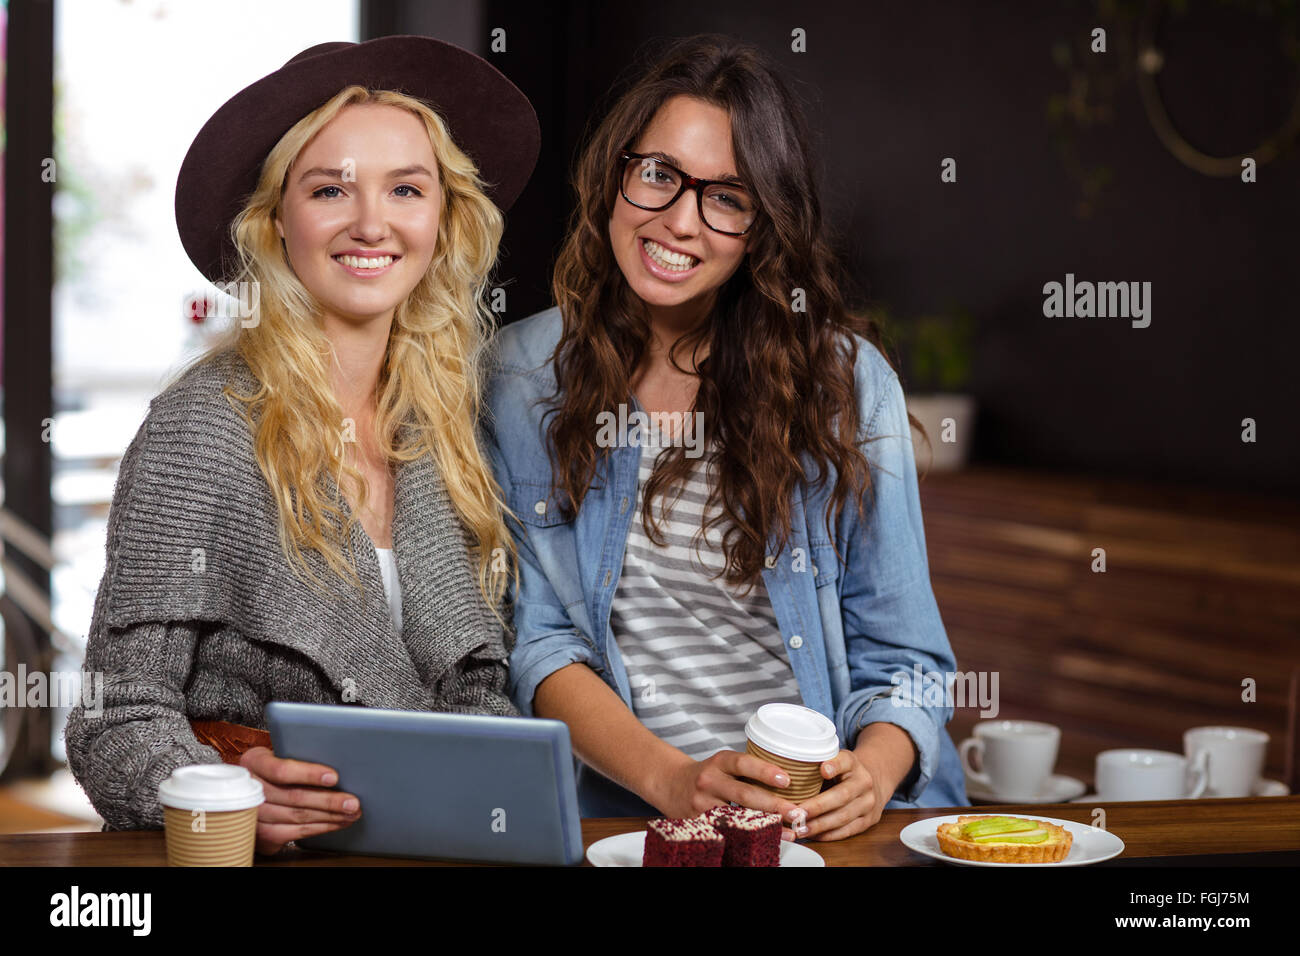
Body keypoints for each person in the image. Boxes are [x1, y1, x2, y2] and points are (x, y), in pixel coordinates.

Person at [485, 34, 968, 842]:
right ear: (615, 175)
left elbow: (908, 660)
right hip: (631, 821)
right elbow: (538, 644)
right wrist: (673, 779)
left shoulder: (845, 384)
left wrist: (875, 775)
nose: (681, 221)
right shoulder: (518, 378)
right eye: (660, 175)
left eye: (728, 198)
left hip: (828, 826)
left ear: (761, 229)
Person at [65, 36, 539, 855]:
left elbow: (477, 697)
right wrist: (218, 790)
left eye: (406, 189)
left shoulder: (446, 431)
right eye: (330, 190)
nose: (371, 222)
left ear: (443, 220)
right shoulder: (203, 427)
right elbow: (114, 718)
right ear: (278, 221)